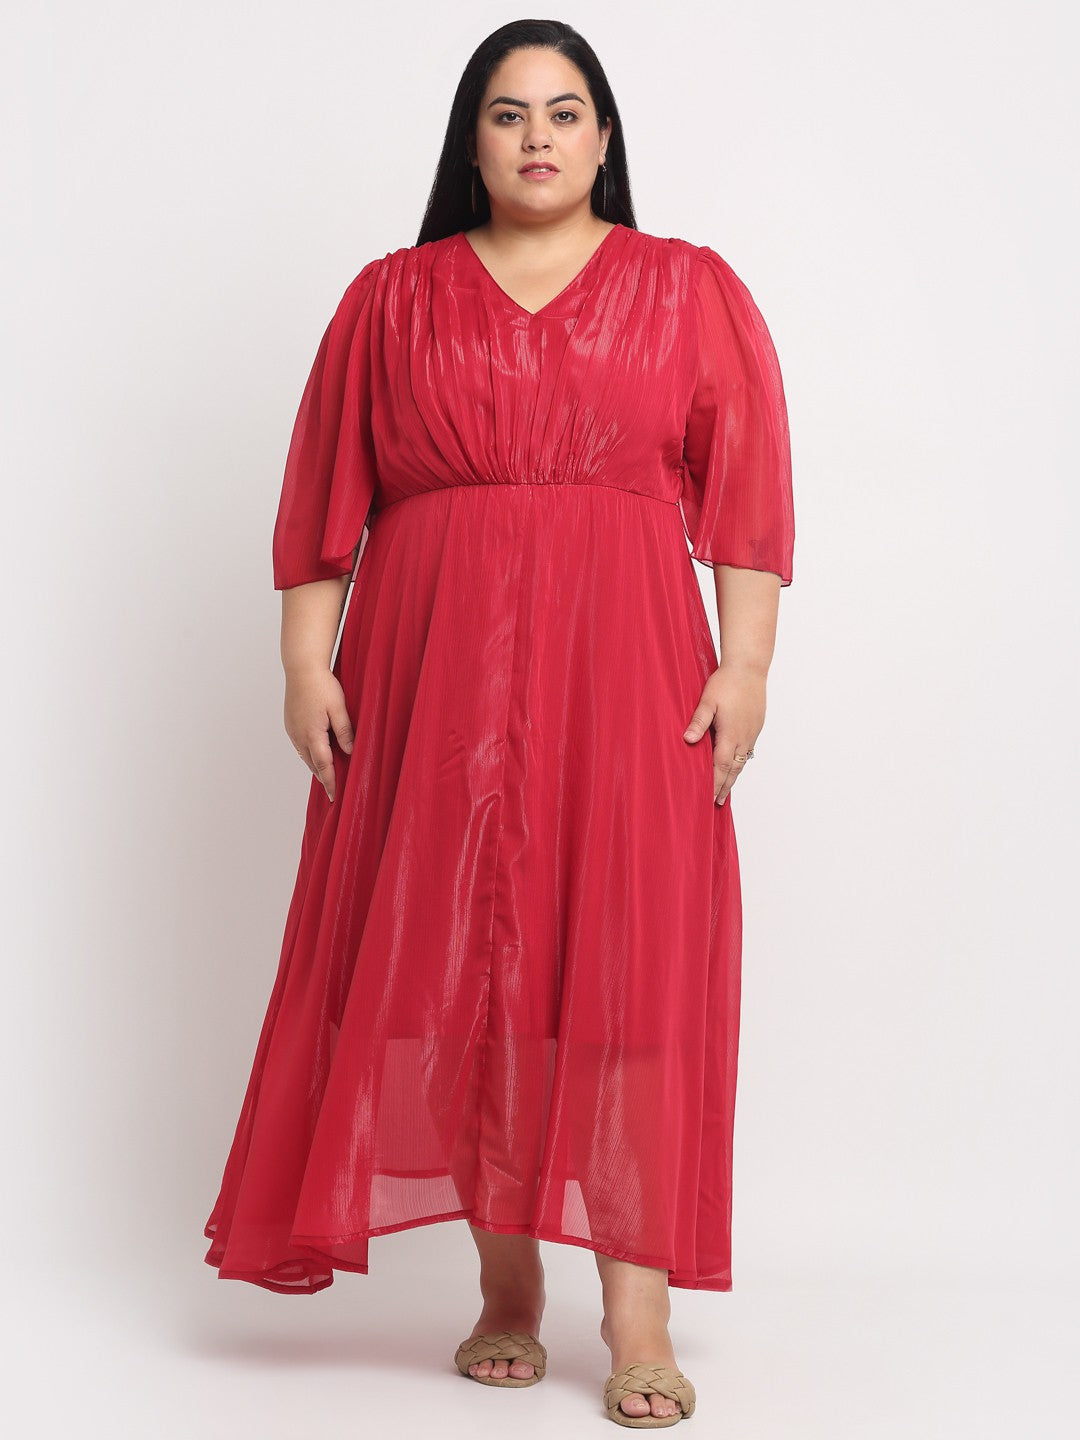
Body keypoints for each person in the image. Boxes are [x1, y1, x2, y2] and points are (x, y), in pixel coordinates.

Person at [203, 17, 794, 1431]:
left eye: (565, 111)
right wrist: (303, 663)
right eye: (509, 112)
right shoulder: (390, 299)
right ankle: (508, 1285)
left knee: (628, 966)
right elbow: (325, 490)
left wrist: (748, 665)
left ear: (604, 138)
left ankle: (639, 1315)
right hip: (430, 665)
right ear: (471, 141)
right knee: (468, 967)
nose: (538, 136)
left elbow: (748, 490)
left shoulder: (686, 288)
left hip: (627, 665)